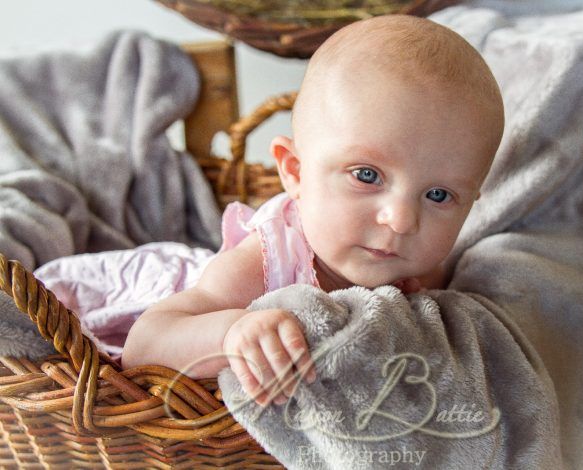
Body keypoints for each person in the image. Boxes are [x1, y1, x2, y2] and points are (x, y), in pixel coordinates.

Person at [121, 14, 504, 408]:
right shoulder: (260, 266)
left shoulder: (422, 271)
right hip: (168, 291)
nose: (401, 220)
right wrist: (231, 333)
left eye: (438, 195)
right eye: (367, 175)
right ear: (295, 171)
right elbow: (144, 345)